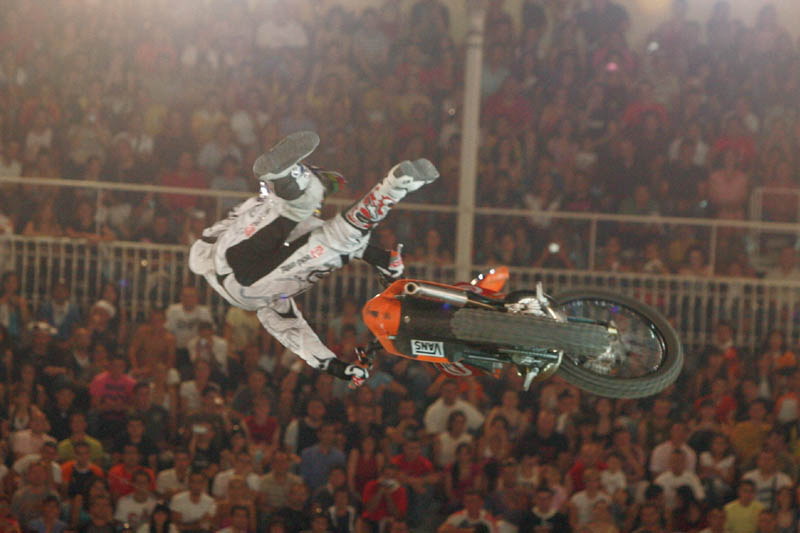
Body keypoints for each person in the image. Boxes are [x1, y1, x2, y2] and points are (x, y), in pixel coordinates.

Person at [189, 131, 439, 386]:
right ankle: (390, 185)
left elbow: (296, 331)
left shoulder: (263, 211)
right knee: (313, 213)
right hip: (233, 263)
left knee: (312, 213)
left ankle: (394, 185)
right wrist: (335, 366)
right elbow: (296, 331)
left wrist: (337, 367)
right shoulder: (266, 213)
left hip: (235, 265)